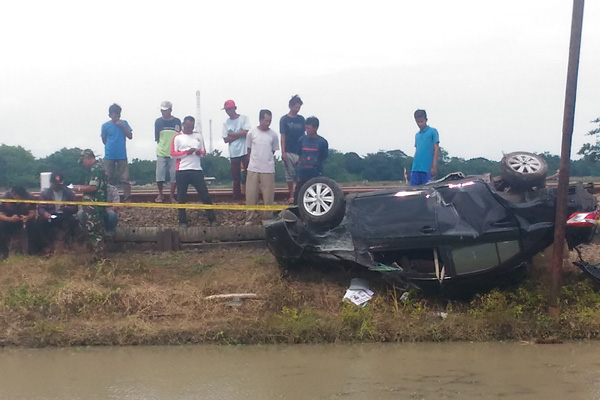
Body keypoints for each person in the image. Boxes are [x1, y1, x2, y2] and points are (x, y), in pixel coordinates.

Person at [171, 116, 218, 228]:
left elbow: (204, 152)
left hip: (196, 169)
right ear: (183, 125)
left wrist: (198, 152)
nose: (189, 128)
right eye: (187, 126)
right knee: (181, 197)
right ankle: (182, 221)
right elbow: (172, 154)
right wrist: (187, 152)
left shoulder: (198, 136)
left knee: (204, 195)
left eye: (191, 126)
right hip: (182, 169)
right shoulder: (177, 137)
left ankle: (212, 219)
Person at [245, 109, 280, 225]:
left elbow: (273, 150)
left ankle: (267, 219)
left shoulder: (273, 135)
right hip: (253, 168)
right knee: (251, 195)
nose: (268, 123)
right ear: (260, 120)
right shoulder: (251, 133)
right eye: (266, 120)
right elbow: (248, 150)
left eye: (270, 121)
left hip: (268, 169)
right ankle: (249, 219)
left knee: (268, 196)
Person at [73, 149, 108, 255]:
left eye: (83, 161)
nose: (83, 164)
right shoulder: (100, 167)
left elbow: (93, 187)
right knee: (99, 229)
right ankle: (100, 253)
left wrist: (79, 188)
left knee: (93, 229)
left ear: (88, 158)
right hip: (99, 202)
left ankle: (98, 254)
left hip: (93, 204)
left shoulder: (95, 169)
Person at [37, 172, 79, 256]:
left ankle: (70, 246)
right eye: (55, 184)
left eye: (59, 184)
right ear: (51, 183)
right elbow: (41, 207)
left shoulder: (69, 193)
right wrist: (45, 213)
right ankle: (46, 248)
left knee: (73, 222)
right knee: (40, 222)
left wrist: (67, 208)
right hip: (50, 215)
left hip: (64, 215)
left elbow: (75, 208)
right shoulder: (45, 193)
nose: (58, 186)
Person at [101, 103, 133, 202]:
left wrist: (123, 127)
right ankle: (108, 198)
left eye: (118, 115)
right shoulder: (105, 126)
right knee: (108, 178)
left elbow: (130, 136)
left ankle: (127, 198)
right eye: (114, 115)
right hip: (109, 155)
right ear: (110, 115)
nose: (116, 117)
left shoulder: (125, 123)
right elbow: (104, 139)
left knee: (125, 178)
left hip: (122, 154)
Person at [294, 116, 329, 204]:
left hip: (315, 173)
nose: (307, 130)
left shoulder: (322, 142)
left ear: (315, 128)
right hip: (303, 172)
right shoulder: (301, 140)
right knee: (298, 195)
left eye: (309, 128)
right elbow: (300, 155)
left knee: (314, 196)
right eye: (306, 128)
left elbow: (323, 157)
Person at [222, 100, 251, 201]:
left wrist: (232, 134)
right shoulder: (226, 123)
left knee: (249, 175)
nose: (228, 111)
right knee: (236, 177)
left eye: (229, 109)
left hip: (244, 151)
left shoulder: (244, 118)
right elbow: (225, 139)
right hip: (234, 153)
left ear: (235, 108)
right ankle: (237, 196)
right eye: (226, 110)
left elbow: (246, 132)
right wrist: (240, 134)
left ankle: (250, 195)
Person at [0, 186, 39, 259]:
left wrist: (27, 217)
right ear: (13, 194)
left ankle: (32, 251)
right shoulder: (4, 198)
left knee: (34, 225)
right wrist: (9, 219)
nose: (21, 200)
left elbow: (32, 212)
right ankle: (3, 252)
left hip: (24, 219)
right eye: (19, 198)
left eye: (23, 198)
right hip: (8, 220)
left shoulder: (30, 197)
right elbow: (1, 214)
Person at [279, 95, 305, 203]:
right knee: (289, 174)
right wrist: (283, 151)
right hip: (288, 150)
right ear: (291, 106)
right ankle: (291, 194)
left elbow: (304, 135)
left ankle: (298, 194)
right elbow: (283, 135)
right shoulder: (284, 119)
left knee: (300, 174)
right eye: (296, 107)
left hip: (299, 151)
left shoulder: (301, 119)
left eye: (299, 107)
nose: (297, 109)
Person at [154, 101, 181, 203]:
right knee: (159, 175)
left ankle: (171, 196)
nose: (163, 112)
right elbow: (157, 137)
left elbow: (179, 136)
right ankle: (160, 194)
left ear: (170, 110)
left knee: (174, 175)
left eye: (165, 110)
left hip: (174, 152)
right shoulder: (158, 122)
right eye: (162, 110)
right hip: (162, 151)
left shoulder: (177, 121)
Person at [410, 109, 440, 186]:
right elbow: (417, 150)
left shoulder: (433, 131)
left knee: (428, 190)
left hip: (427, 168)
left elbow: (436, 148)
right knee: (414, 191)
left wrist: (434, 166)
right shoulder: (417, 135)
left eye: (421, 121)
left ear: (426, 120)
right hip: (416, 168)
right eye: (418, 122)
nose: (420, 124)